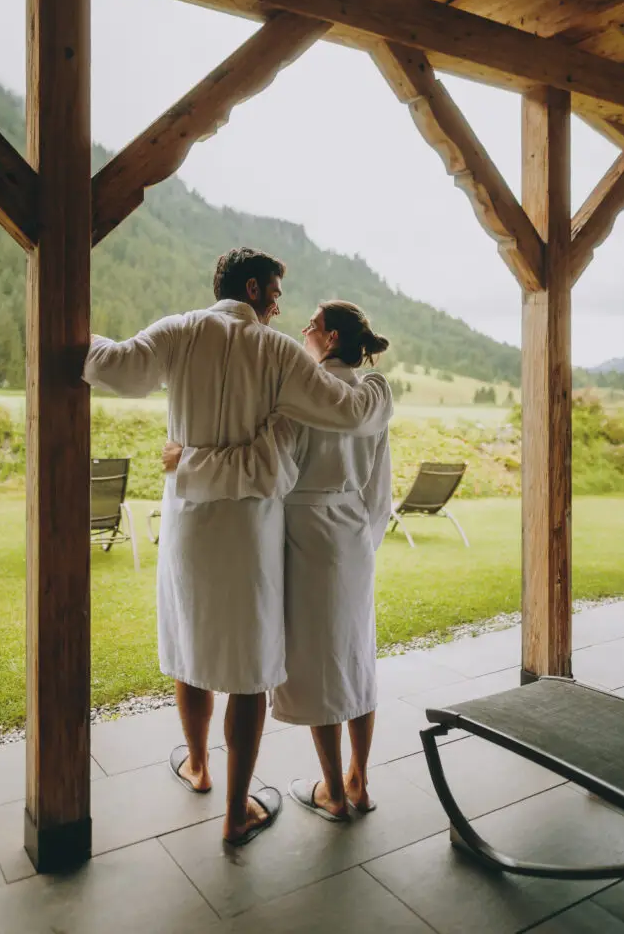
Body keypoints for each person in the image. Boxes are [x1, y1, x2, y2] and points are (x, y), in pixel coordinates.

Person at [83, 251, 393, 846]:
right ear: (253, 287)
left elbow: (114, 367)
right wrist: (379, 385)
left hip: (187, 526)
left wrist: (77, 335)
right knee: (248, 672)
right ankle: (235, 813)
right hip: (251, 533)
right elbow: (345, 413)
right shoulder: (277, 354)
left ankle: (197, 765)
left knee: (191, 645)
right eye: (276, 291)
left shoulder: (178, 331)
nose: (280, 304)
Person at [164, 299, 392, 822]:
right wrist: (364, 540)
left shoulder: (301, 398)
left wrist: (187, 462)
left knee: (319, 667)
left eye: (312, 325)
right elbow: (380, 487)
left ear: (330, 339)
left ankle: (333, 790)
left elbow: (266, 469)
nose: (303, 330)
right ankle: (359, 778)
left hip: (306, 536)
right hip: (354, 533)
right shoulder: (374, 398)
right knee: (357, 659)